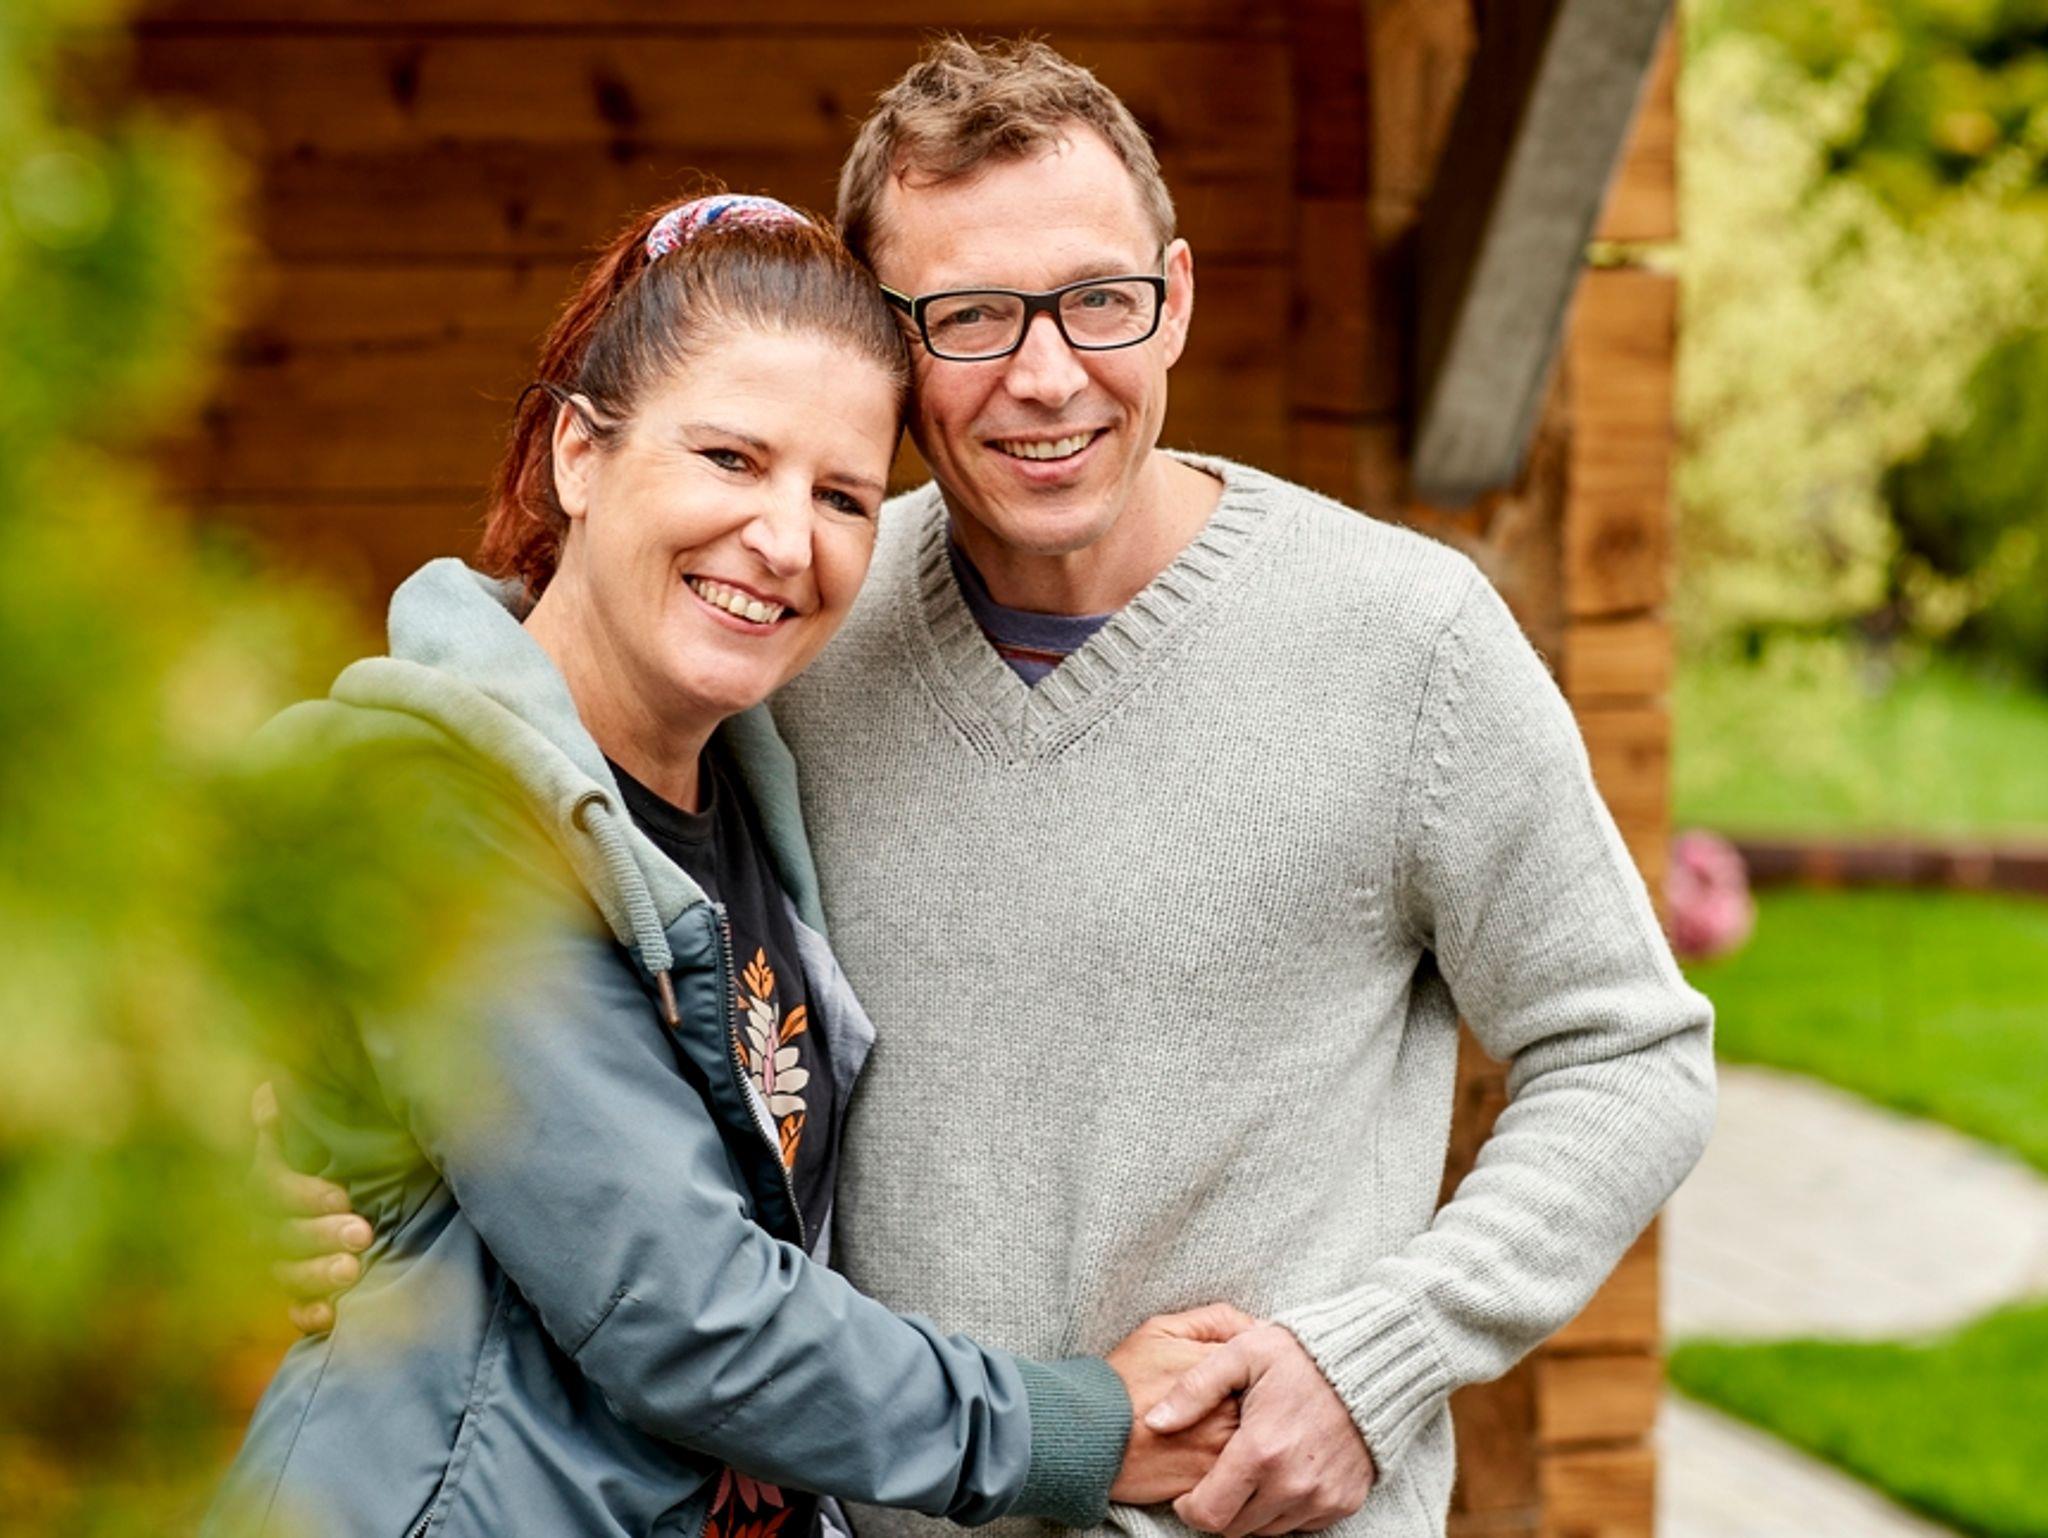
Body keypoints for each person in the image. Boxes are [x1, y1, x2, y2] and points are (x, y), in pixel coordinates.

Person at [273, 38, 1718, 1538]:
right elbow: (523, 856)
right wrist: (305, 1145)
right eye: (971, 317)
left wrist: (1383, 1356)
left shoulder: (1406, 640)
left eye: (1100, 299)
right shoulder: (793, 637)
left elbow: (1630, 1050)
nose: (1046, 374)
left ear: (1176, 299)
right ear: (897, 355)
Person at [212, 192, 1249, 1538]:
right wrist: (1078, 1426)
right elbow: (680, 1306)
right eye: (729, 458)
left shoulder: (746, 804)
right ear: (579, 454)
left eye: (842, 496)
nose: (784, 538)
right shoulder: (439, 812)